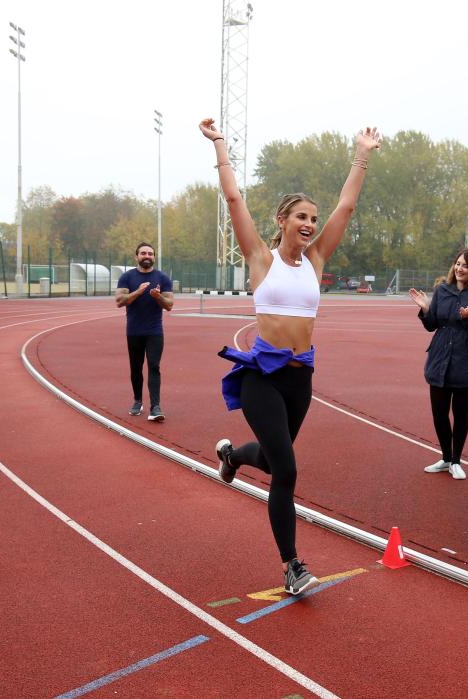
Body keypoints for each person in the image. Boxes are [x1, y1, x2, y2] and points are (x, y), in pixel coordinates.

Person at [199, 118, 381, 595]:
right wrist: (220, 145)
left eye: (314, 220)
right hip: (262, 374)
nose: (310, 225)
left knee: (277, 458)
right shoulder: (261, 258)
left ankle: (233, 456)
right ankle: (292, 566)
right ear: (282, 221)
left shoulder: (317, 260)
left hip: (300, 379)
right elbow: (235, 200)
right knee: (288, 470)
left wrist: (362, 154)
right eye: (301, 217)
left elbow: (348, 204)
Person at [409, 249, 468, 481]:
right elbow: (432, 325)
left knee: (460, 413)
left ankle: (456, 460)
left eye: (465, 266)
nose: (459, 269)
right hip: (439, 359)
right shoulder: (442, 290)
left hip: (465, 361)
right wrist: (426, 309)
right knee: (439, 413)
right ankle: (446, 457)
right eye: (457, 264)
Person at [115, 242, 174, 421]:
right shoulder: (127, 277)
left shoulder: (162, 278)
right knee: (135, 368)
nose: (147, 256)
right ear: (137, 257)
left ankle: (155, 407)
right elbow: (119, 300)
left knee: (154, 366)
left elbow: (169, 305)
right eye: (143, 253)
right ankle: (137, 400)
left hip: (154, 331)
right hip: (133, 331)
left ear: (154, 257)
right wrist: (138, 292)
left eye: (150, 253)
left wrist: (158, 297)